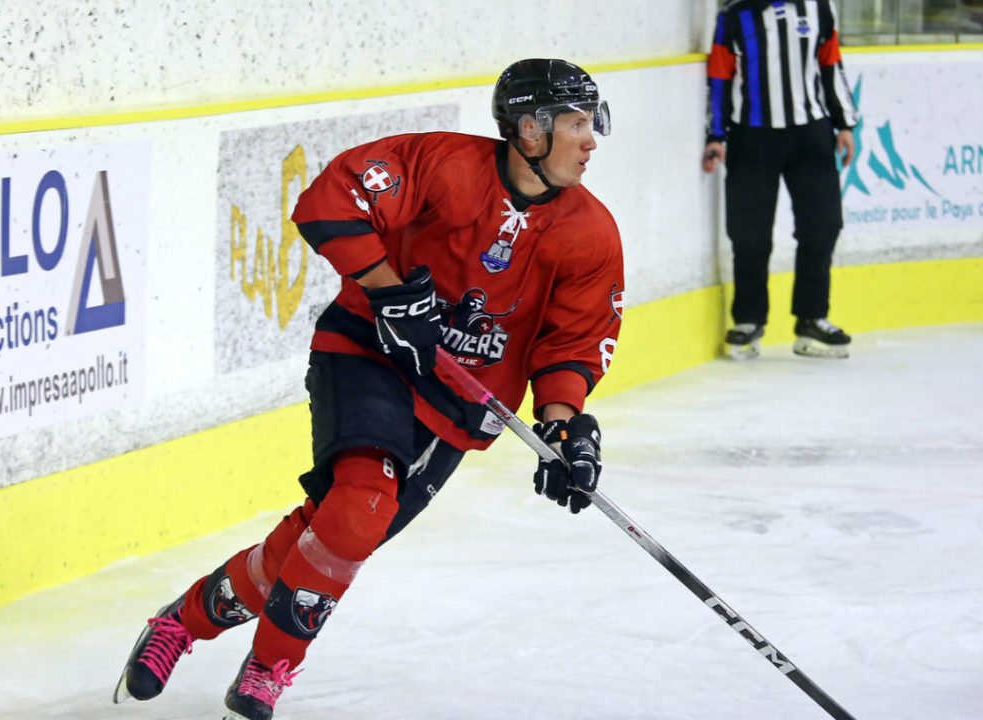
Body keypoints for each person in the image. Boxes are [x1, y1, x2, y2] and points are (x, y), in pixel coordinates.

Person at [112, 58, 623, 720]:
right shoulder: (444, 166)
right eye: (578, 124)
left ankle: (182, 621)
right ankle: (268, 669)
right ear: (529, 130)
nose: (591, 140)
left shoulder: (590, 231)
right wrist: (389, 292)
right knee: (356, 511)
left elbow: (573, 341)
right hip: (369, 353)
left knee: (331, 538)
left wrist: (562, 425)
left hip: (459, 403)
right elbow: (331, 196)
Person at [702, 0, 859, 360]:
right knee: (749, 233)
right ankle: (748, 321)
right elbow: (719, 75)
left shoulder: (819, 8)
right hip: (752, 137)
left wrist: (844, 123)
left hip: (812, 133)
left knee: (823, 225)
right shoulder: (734, 16)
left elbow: (831, 63)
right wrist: (716, 134)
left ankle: (812, 318)